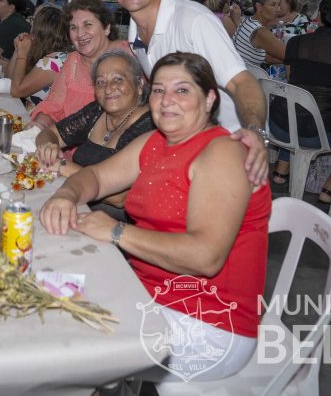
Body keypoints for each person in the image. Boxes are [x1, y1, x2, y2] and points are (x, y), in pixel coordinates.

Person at [39, 52, 270, 381]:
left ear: (210, 99)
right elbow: (96, 178)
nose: (167, 101)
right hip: (148, 294)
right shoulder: (156, 142)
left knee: (61, 343)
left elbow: (205, 257)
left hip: (208, 325)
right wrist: (66, 194)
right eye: (159, 90)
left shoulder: (222, 153)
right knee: (47, 292)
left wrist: (117, 232)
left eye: (182, 91)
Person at [106, 0, 269, 183]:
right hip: (186, 148)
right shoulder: (134, 29)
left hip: (230, 151)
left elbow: (241, 82)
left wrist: (255, 131)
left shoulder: (193, 22)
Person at [268, 0, 331, 197]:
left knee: (300, 107)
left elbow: (291, 79)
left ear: (319, 16)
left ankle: (281, 170)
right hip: (316, 132)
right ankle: (330, 187)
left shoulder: (295, 42)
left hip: (279, 125)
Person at [35, 50, 153, 220]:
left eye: (118, 79)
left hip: (112, 226)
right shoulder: (97, 111)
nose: (108, 88)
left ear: (140, 85)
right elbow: (49, 133)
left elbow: (120, 197)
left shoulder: (148, 126)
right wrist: (48, 146)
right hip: (77, 206)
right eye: (100, 82)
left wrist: (62, 166)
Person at [30, 0, 132, 128]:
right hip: (69, 143)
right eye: (74, 28)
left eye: (88, 25)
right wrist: (39, 125)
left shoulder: (128, 56)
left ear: (106, 28)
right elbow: (53, 107)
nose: (80, 34)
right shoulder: (73, 61)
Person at [6, 4, 71, 108]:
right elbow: (9, 80)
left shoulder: (55, 61)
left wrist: (22, 54)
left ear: (41, 30)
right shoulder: (42, 51)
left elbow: (16, 91)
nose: (29, 24)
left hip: (42, 122)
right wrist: (18, 50)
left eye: (32, 21)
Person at [232, 0, 285, 68]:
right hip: (245, 77)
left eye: (278, 5)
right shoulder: (259, 31)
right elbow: (288, 55)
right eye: (273, 5)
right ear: (259, 6)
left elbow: (266, 57)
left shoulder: (248, 21)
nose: (278, 9)